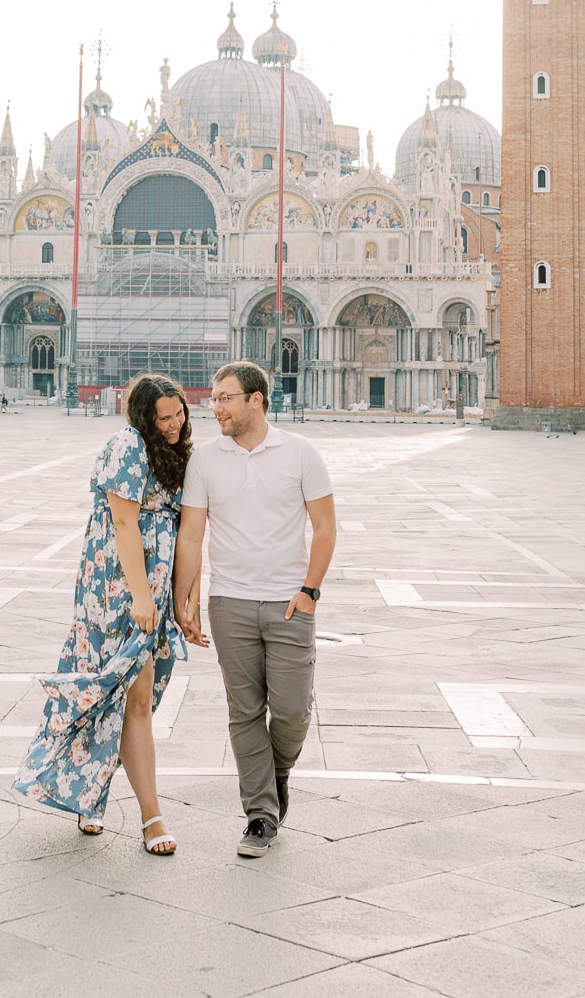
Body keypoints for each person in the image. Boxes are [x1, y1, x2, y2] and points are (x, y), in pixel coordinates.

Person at [15, 373, 192, 853]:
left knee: (126, 698)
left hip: (150, 589)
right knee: (125, 696)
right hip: (116, 589)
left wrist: (180, 600)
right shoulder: (127, 444)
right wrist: (140, 597)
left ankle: (89, 796)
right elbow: (122, 521)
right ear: (142, 417)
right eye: (165, 416)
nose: (175, 423)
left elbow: (184, 533)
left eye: (179, 413)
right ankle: (152, 818)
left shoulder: (174, 450)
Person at [174, 360, 336, 859]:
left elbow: (325, 527)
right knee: (244, 712)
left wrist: (309, 592)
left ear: (255, 400)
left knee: (291, 711)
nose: (214, 406)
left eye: (225, 398)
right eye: (215, 397)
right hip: (231, 602)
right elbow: (193, 534)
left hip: (290, 602)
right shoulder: (203, 461)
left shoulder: (300, 452)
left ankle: (276, 773)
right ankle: (261, 815)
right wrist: (188, 600)